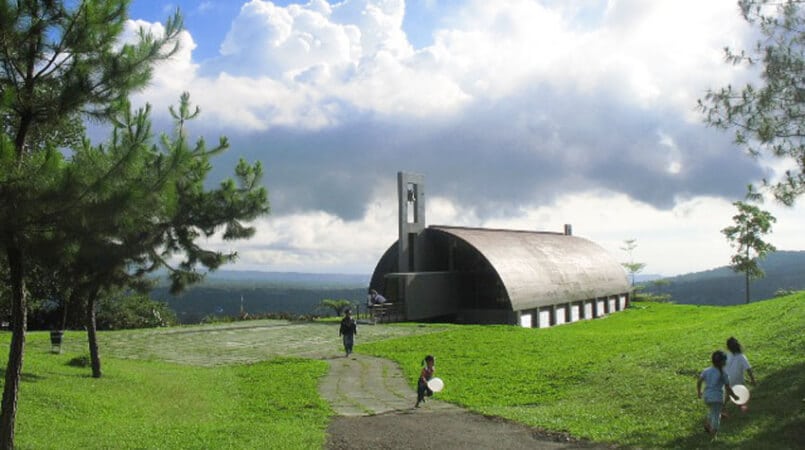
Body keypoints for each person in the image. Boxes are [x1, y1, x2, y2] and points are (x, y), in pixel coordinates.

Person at [697, 350, 738, 437]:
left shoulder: (706, 370)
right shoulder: (724, 374)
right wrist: (734, 396)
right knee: (717, 415)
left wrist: (699, 392)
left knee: (713, 411)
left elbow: (699, 381)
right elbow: (728, 388)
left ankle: (708, 424)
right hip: (717, 398)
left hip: (707, 397)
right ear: (723, 362)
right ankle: (713, 433)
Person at [724, 337, 757, 413]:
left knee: (728, 393)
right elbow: (748, 369)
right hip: (737, 380)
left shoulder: (727, 355)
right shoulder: (741, 356)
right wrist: (753, 380)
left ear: (728, 347)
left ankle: (723, 407)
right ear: (739, 345)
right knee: (740, 392)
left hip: (726, 379)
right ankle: (742, 406)